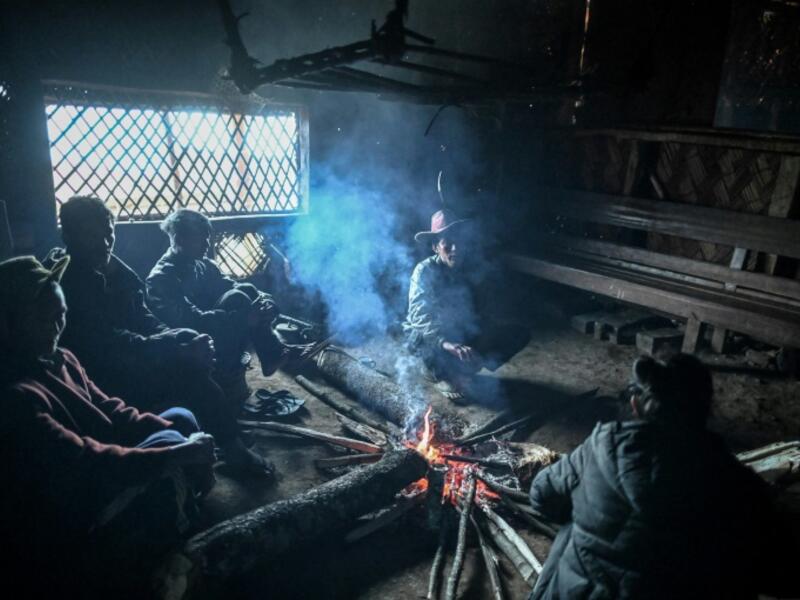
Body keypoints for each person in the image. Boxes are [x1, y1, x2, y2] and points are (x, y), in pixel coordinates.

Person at [0, 255, 215, 594]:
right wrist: (176, 452)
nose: (57, 328)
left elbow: (111, 410)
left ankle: (180, 502)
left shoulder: (61, 358)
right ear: (9, 323)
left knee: (180, 418)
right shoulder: (15, 395)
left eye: (61, 316)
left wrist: (175, 439)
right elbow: (86, 462)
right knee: (171, 446)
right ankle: (166, 545)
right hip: (73, 509)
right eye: (45, 319)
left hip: (100, 464)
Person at [528, 354, 797, 600]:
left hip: (581, 592)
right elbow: (777, 573)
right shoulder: (738, 485)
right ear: (703, 410)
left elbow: (541, 495)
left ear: (635, 403)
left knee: (572, 520)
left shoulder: (602, 446)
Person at [44, 196, 271, 477]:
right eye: (92, 237)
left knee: (199, 341)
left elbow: (144, 319)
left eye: (108, 234)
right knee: (191, 373)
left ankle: (225, 437)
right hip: (100, 372)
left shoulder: (116, 272)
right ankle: (229, 447)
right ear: (69, 236)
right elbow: (106, 343)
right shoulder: (66, 285)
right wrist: (174, 346)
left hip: (134, 353)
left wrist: (178, 336)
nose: (104, 244)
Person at [146, 208, 288, 386]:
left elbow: (231, 285)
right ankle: (261, 359)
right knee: (238, 298)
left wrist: (265, 301)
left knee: (247, 290)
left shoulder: (203, 264)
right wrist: (244, 318)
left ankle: (272, 355)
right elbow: (191, 322)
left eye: (207, 237)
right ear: (180, 239)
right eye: (201, 238)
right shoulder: (162, 278)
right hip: (189, 343)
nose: (207, 244)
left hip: (214, 327)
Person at [403, 209, 520, 401]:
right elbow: (420, 315)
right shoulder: (424, 271)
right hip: (434, 338)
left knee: (516, 334)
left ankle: (463, 370)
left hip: (459, 332)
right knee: (420, 338)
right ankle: (437, 373)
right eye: (447, 242)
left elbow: (482, 310)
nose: (455, 248)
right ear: (435, 246)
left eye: (460, 241)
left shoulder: (469, 269)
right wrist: (446, 343)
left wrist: (481, 338)